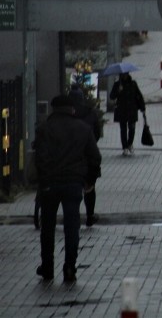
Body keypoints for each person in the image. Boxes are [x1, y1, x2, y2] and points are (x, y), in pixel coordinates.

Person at [34, 94, 101, 283]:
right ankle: (70, 266)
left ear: (54, 109)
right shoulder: (83, 129)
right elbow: (95, 157)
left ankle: (47, 267)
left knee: (48, 227)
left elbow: (39, 158)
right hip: (73, 183)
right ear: (72, 110)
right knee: (72, 227)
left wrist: (43, 180)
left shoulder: (44, 129)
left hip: (50, 184)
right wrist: (89, 180)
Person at [69, 84, 102, 226]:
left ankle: (73, 215)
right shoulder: (91, 113)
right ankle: (90, 215)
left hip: (70, 157)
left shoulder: (68, 114)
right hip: (88, 155)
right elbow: (98, 133)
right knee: (89, 187)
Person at [110, 72, 146, 156]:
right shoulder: (117, 84)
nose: (124, 76)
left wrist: (142, 108)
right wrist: (118, 91)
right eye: (123, 75)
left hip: (132, 109)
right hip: (121, 110)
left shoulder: (133, 84)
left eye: (126, 74)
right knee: (123, 129)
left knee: (132, 128)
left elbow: (139, 96)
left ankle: (130, 144)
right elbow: (111, 96)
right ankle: (125, 147)